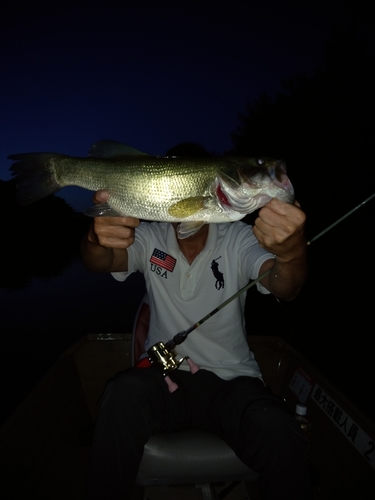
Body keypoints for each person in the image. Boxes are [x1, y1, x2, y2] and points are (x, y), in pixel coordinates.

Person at [81, 189, 312, 500]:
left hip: (231, 382)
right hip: (166, 380)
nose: (183, 203)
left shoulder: (237, 238)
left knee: (276, 426)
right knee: (122, 393)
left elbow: (286, 285)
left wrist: (291, 252)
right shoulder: (150, 236)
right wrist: (96, 240)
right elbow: (101, 261)